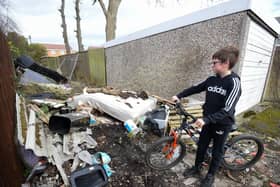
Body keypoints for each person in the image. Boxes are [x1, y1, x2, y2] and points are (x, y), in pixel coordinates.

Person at [172, 46, 241, 187]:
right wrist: (179, 95)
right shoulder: (211, 80)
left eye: (214, 62)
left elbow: (228, 109)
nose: (212, 65)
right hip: (206, 122)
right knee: (202, 146)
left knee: (217, 151)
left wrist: (206, 119)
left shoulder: (233, 82)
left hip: (222, 123)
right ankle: (197, 168)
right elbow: (196, 88)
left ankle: (210, 176)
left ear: (225, 63)